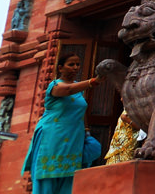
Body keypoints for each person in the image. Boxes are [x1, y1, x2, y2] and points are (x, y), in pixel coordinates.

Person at [22, 53, 104, 194]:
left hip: (74, 137)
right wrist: (92, 82)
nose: (75, 67)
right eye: (71, 64)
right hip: (52, 136)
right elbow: (67, 90)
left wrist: (86, 131)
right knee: (48, 174)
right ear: (60, 68)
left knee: (69, 176)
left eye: (78, 64)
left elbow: (81, 110)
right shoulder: (55, 86)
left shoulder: (78, 90)